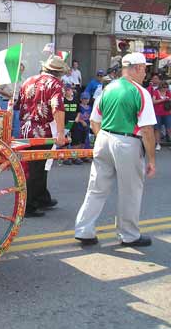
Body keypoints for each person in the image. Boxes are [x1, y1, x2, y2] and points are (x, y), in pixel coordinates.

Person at [75, 52, 156, 247]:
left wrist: (104, 137)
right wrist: (152, 160)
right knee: (130, 191)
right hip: (127, 142)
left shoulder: (108, 88)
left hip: (104, 138)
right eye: (144, 68)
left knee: (96, 188)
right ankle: (128, 235)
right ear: (136, 68)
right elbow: (146, 130)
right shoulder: (140, 92)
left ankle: (84, 230)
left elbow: (95, 120)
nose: (145, 72)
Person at [19, 55, 66, 217]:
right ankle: (29, 205)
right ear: (59, 73)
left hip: (25, 128)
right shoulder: (55, 84)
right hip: (43, 130)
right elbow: (57, 107)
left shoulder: (28, 81)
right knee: (38, 167)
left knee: (40, 165)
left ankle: (42, 196)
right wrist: (61, 132)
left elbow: (19, 104)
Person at [152, 80, 171, 150]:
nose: (165, 88)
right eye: (163, 87)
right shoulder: (156, 92)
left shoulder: (168, 92)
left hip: (167, 113)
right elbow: (153, 101)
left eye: (166, 87)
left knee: (169, 128)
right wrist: (162, 100)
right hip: (157, 113)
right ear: (160, 87)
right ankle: (158, 144)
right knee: (157, 129)